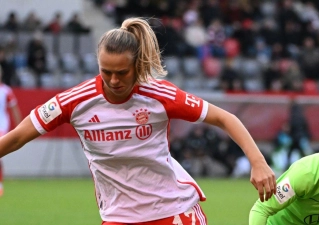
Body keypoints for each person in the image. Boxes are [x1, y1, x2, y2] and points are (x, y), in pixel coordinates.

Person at [0, 17, 276, 224]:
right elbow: (16, 137)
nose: (113, 80)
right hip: (118, 216)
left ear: (138, 65)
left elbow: (224, 117)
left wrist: (258, 161)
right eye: (105, 72)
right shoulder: (74, 102)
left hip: (173, 210)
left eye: (122, 72)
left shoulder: (160, 95)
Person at [0, 65, 22, 196]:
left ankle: (0, 185)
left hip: (2, 126)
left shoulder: (6, 91)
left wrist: (20, 127)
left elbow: (14, 109)